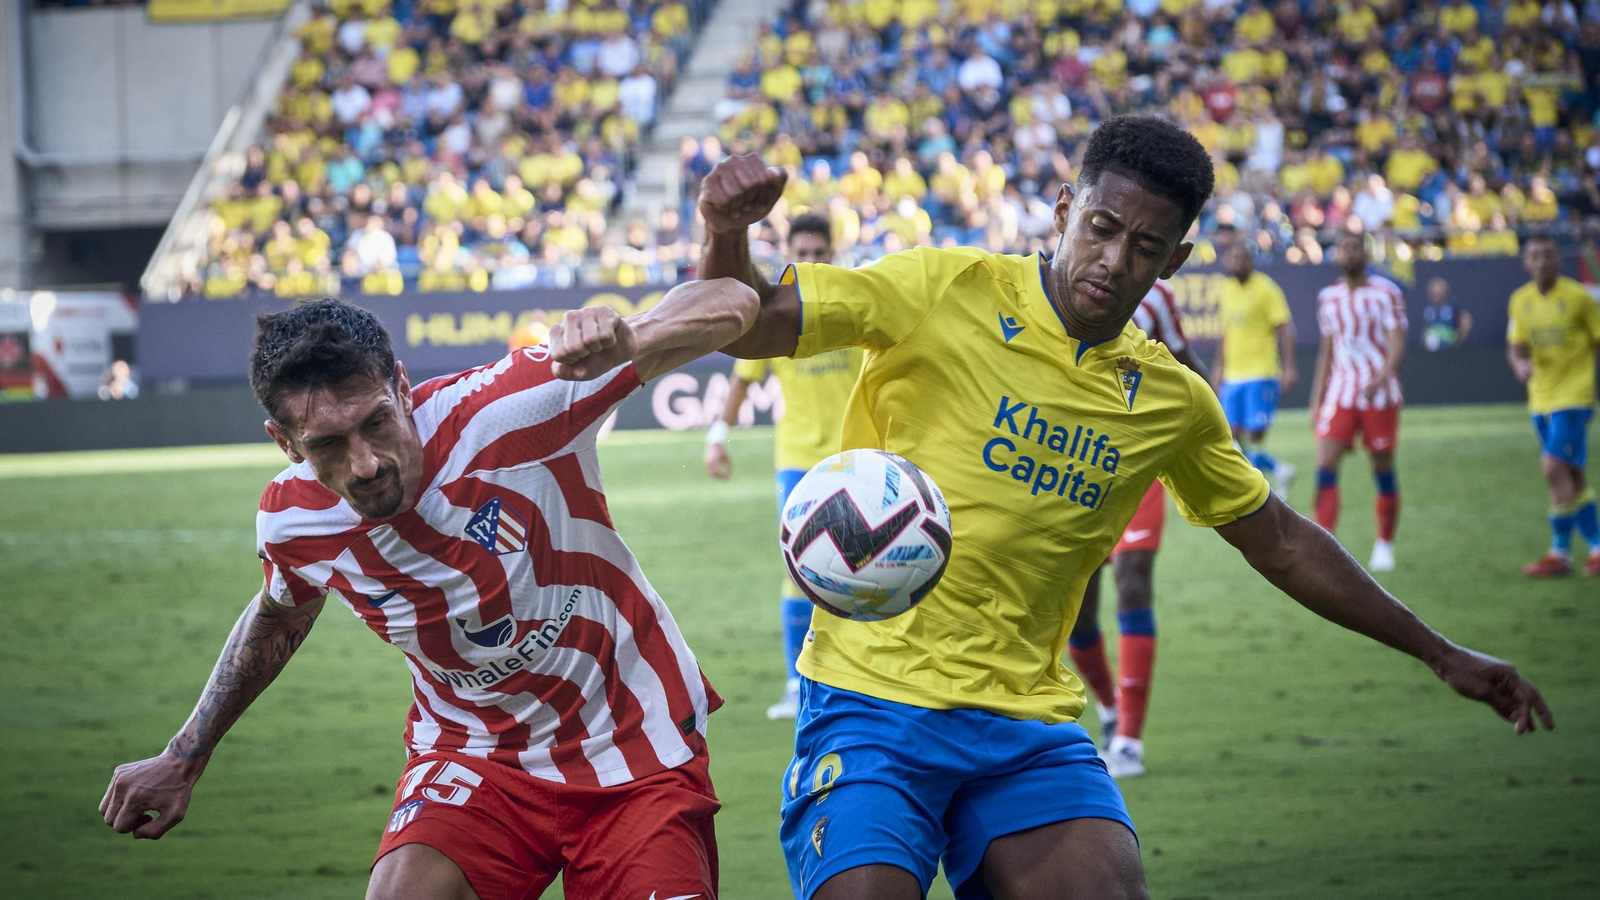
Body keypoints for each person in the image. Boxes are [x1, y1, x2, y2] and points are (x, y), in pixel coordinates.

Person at [697, 116, 1550, 900]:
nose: (1113, 261)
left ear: (1174, 261)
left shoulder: (1171, 402)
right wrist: (727, 231)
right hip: (870, 702)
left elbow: (1282, 543)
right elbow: (752, 323)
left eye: (1146, 247)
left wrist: (1440, 655)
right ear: (1065, 211)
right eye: (1101, 229)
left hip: (1023, 723)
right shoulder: (942, 286)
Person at [99, 282, 762, 900]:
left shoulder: (512, 408)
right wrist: (185, 755)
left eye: (376, 423)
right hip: (475, 756)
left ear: (404, 388)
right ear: (283, 442)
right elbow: (279, 613)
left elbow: (735, 300)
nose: (364, 464)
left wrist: (630, 335)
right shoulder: (292, 520)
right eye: (328, 444)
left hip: (633, 740)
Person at [703, 213, 864, 720]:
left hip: (856, 456)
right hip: (796, 459)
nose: (813, 260)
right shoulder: (775, 316)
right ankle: (797, 683)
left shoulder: (857, 310)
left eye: (821, 251)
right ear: (790, 254)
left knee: (865, 568)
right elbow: (743, 381)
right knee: (799, 571)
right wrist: (717, 436)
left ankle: (859, 678)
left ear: (833, 253)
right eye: (805, 252)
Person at [1068, 278, 1208, 779]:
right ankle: (1108, 709)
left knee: (1132, 584)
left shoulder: (1156, 300)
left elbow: (1186, 364)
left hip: (1137, 465)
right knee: (1077, 617)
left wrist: (1220, 435)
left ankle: (1128, 738)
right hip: (1073, 469)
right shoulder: (1047, 294)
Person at [1309, 233, 1407, 572]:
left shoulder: (1386, 292)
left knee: (1381, 466)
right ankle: (1325, 545)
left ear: (1366, 253)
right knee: (1325, 464)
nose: (1349, 253)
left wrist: (1382, 376)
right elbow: (1328, 350)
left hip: (1379, 395)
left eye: (1355, 247)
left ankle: (1384, 544)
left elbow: (1397, 340)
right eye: (1343, 248)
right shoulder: (1328, 297)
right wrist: (1316, 401)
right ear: (1336, 255)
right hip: (1342, 393)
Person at [1507, 235, 1600, 577]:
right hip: (1540, 399)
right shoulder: (1520, 301)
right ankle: (1596, 548)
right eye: (1534, 256)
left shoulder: (1579, 298)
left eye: (1548, 255)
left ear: (1558, 261)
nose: (1541, 262)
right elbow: (1516, 346)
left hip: (1574, 397)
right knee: (1572, 474)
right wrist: (1519, 365)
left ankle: (1559, 553)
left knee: (1552, 469)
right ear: (1525, 263)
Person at [1213, 244, 1296, 494]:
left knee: (1256, 433)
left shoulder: (1266, 288)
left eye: (1242, 257)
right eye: (1232, 257)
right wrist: (1218, 368)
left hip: (1261, 371)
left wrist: (1289, 367)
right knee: (1231, 435)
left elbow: (1285, 328)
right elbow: (1226, 333)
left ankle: (1258, 487)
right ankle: (1278, 471)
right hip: (1233, 375)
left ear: (1251, 260)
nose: (1237, 262)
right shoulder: (1226, 290)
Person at [1422, 277, 1474, 351]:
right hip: (1433, 348)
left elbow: (1466, 319)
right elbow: (1427, 327)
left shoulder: (1452, 305)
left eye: (1438, 291)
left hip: (1450, 345)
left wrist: (1460, 338)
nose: (1436, 294)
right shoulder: (1428, 308)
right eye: (1433, 291)